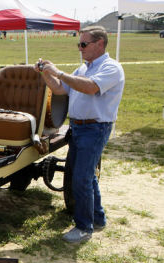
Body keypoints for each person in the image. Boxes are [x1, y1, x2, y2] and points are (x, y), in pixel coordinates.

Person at [35, 25, 125, 243]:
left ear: (100, 44)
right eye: (79, 44)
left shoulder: (112, 68)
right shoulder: (84, 68)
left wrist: (59, 72)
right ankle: (97, 218)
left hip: (95, 128)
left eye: (83, 44)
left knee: (81, 178)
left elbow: (90, 88)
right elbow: (60, 89)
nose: (80, 48)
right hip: (80, 128)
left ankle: (84, 227)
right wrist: (46, 74)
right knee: (85, 175)